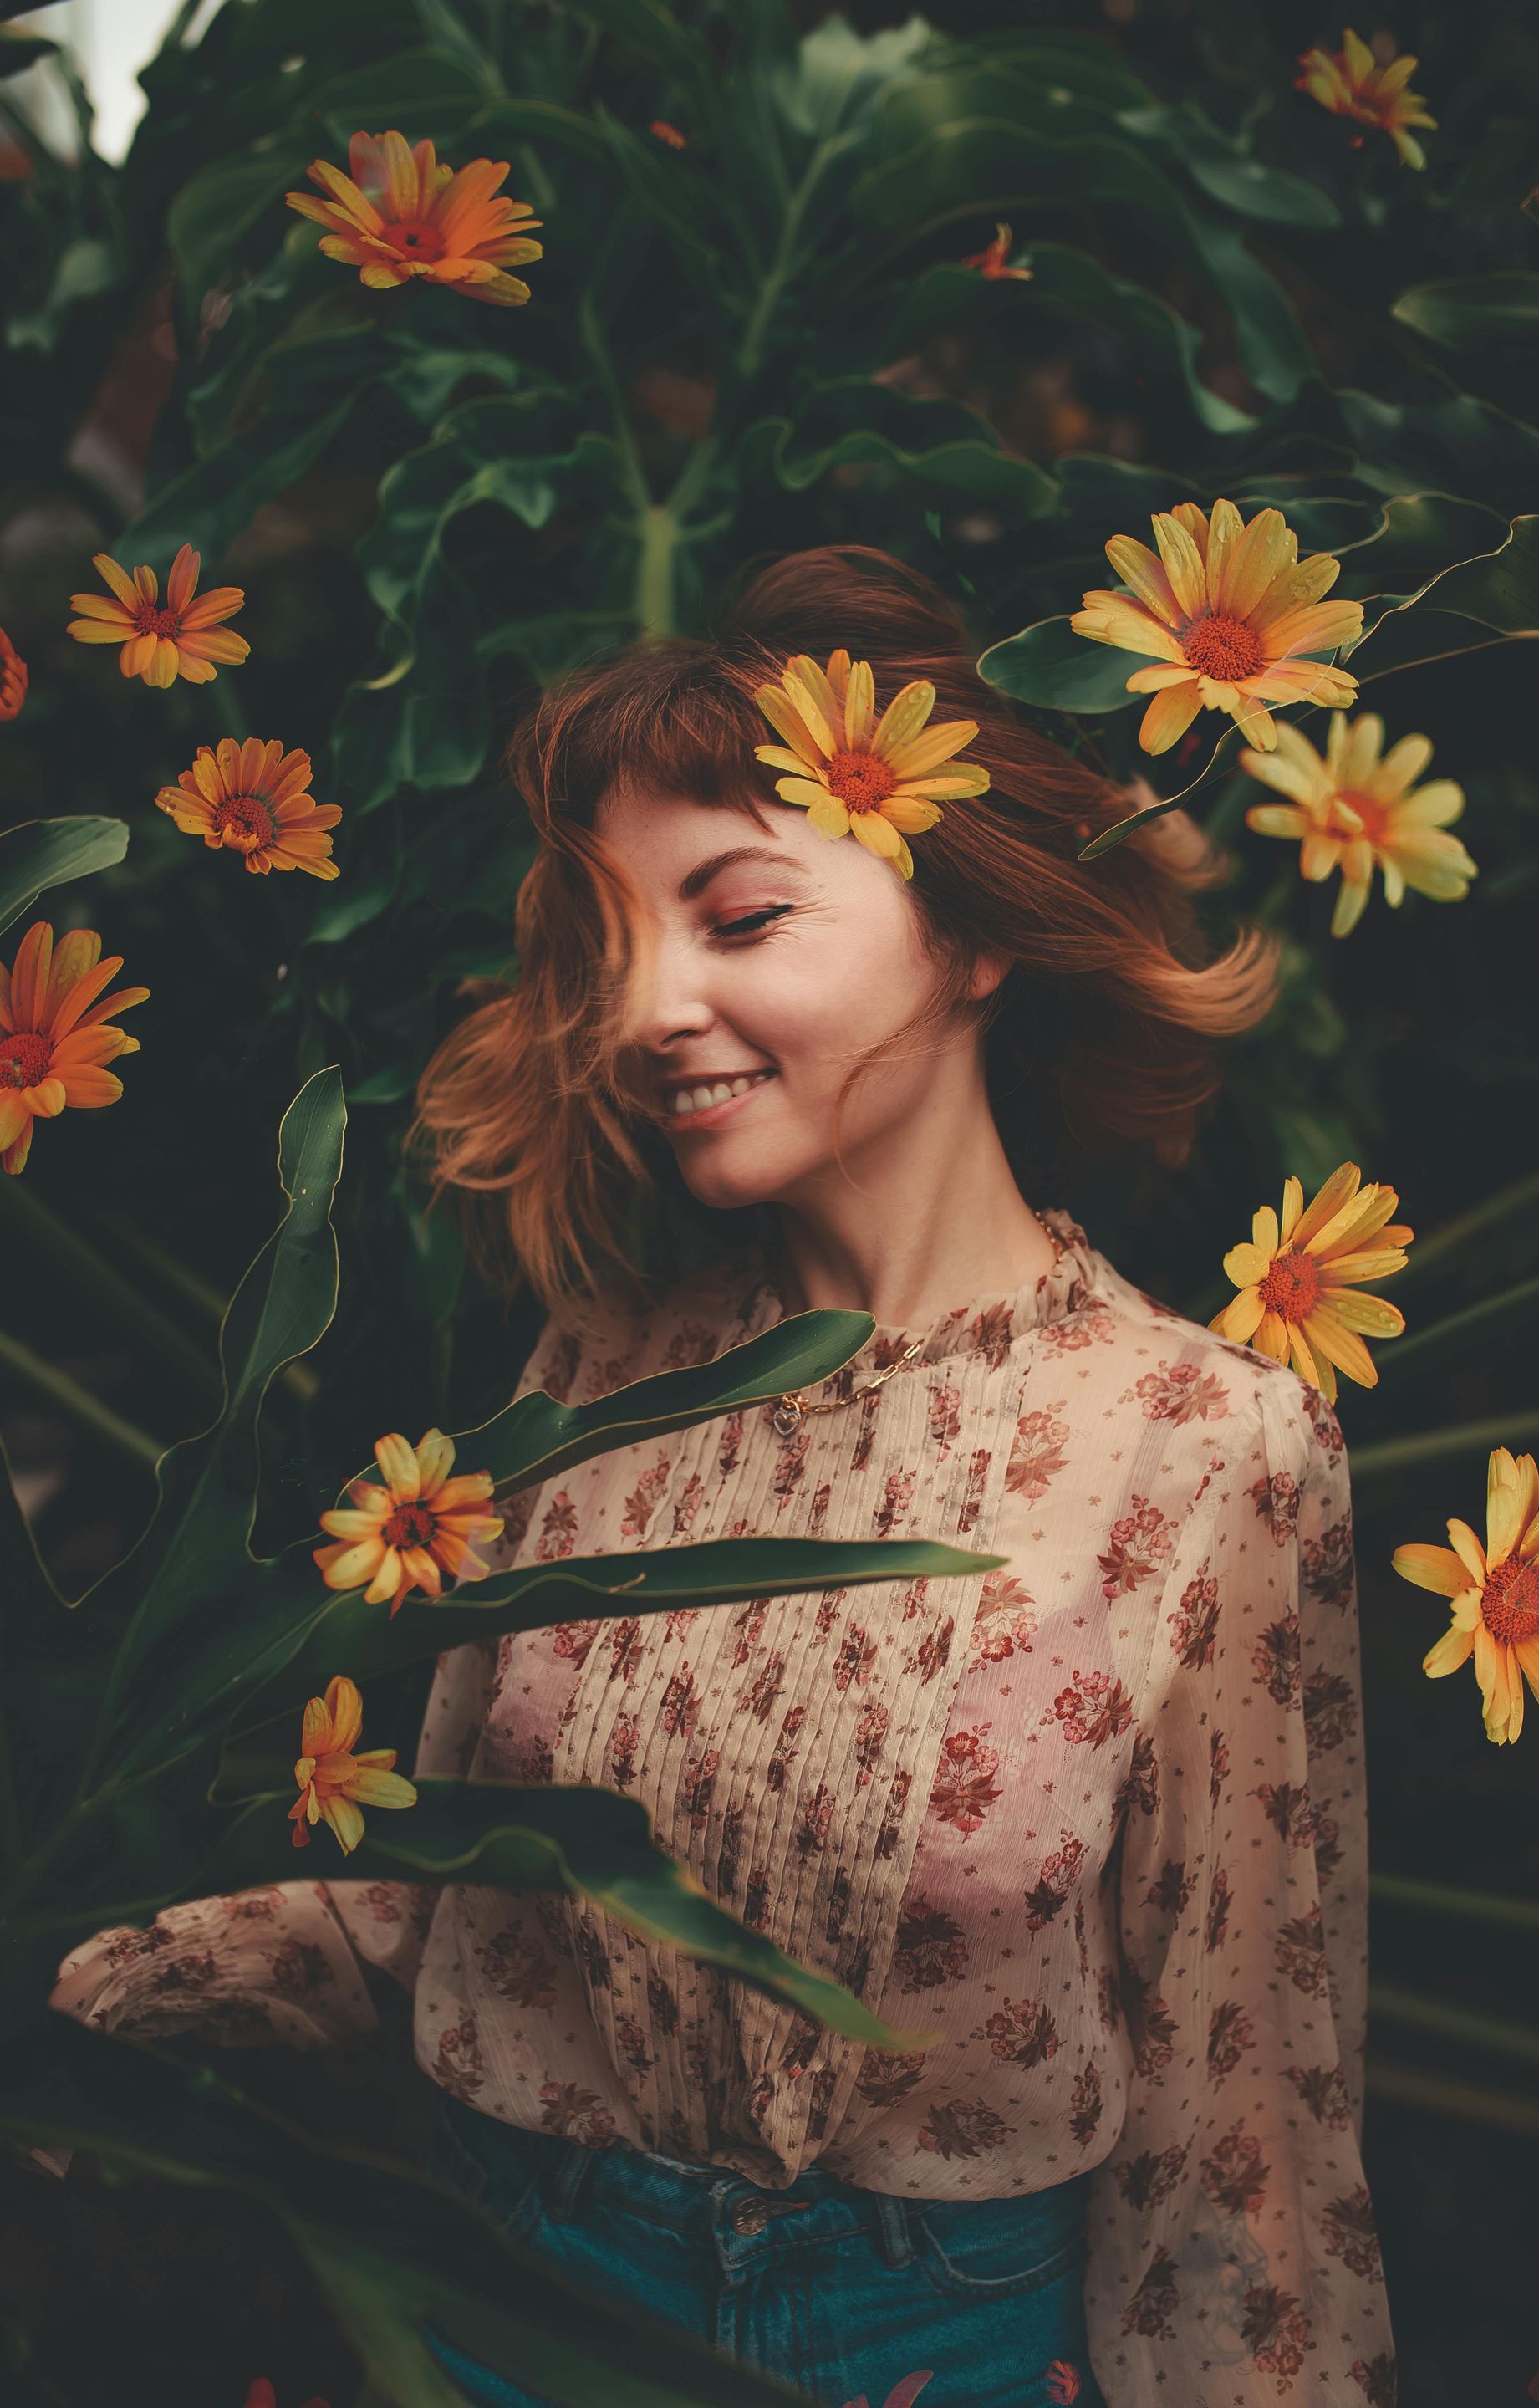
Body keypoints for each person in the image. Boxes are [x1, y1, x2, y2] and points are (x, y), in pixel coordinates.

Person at [51, 546, 1396, 2408]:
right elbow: (452, 1884)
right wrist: (102, 1964)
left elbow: (1242, 2098)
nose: (642, 1010)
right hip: (522, 2293)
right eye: (613, 943)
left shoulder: (1199, 1445)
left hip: (935, 2335)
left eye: (740, 917)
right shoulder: (597, 1368)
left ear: (977, 933)